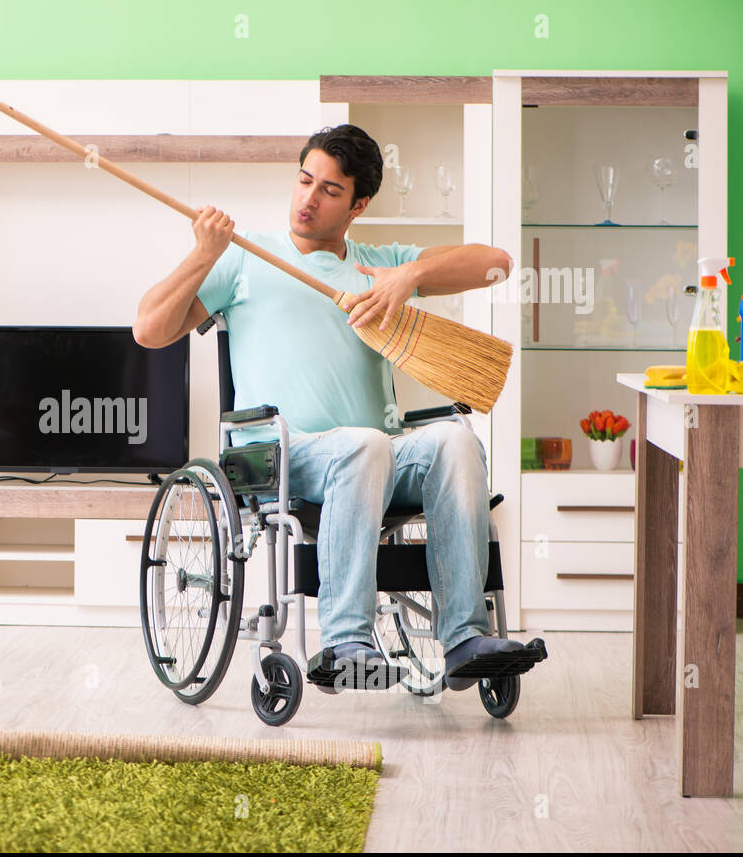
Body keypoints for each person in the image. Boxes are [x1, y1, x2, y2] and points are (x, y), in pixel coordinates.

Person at [132, 123, 542, 693]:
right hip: (279, 456)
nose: (309, 198)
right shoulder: (248, 258)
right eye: (305, 180)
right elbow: (148, 330)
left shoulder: (380, 264)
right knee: (364, 443)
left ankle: (464, 639)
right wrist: (204, 254)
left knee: (456, 438)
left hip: (376, 459)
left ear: (359, 204)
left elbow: (497, 263)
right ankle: (346, 640)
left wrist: (412, 274)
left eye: (329, 190)